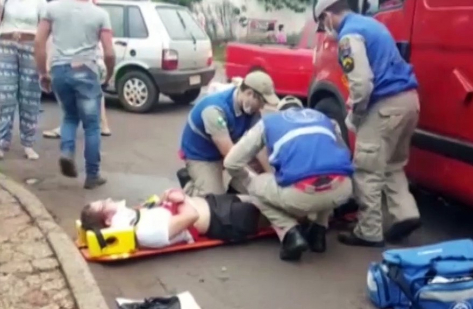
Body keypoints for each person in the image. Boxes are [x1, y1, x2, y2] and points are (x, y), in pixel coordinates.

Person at [314, 0, 421, 247]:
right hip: (409, 101)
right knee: (393, 164)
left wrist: (356, 115)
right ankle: (405, 213)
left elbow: (362, 84)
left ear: (328, 15)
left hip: (384, 105)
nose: (324, 28)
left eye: (322, 23)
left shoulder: (349, 36)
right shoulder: (372, 24)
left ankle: (368, 231)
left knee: (367, 170)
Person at [224, 97, 354, 261]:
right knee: (326, 171)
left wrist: (250, 178)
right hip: (343, 189)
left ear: (281, 112)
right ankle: (318, 232)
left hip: (300, 194)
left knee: (255, 186)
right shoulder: (325, 119)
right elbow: (345, 155)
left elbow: (231, 162)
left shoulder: (269, 123)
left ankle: (290, 233)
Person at [35, 0, 116, 189]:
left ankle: (66, 151)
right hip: (86, 70)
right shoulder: (100, 14)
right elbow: (110, 53)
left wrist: (43, 73)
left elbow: (38, 42)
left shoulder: (51, 8)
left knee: (70, 116)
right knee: (92, 126)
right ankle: (92, 175)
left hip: (59, 71)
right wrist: (109, 75)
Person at [179, 70, 279, 196]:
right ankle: (190, 187)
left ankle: (235, 192)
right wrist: (252, 179)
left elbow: (260, 147)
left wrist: (272, 176)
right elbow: (229, 154)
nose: (261, 107)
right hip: (203, 155)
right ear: (249, 94)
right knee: (214, 198)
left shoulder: (251, 110)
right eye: (261, 102)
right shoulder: (215, 111)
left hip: (230, 145)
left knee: (258, 172)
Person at [80, 189, 262, 249]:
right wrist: (179, 199)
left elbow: (154, 208)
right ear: (109, 221)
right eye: (105, 204)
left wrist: (165, 196)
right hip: (225, 219)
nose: (109, 199)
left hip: (215, 203)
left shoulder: (132, 217)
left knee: (260, 196)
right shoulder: (143, 232)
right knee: (273, 207)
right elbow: (191, 216)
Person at [0, 0, 46, 162]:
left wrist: (46, 61)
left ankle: (28, 143)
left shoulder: (39, 2)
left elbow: (46, 31)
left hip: (31, 47)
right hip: (6, 45)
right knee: (5, 96)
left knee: (30, 96)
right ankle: (0, 144)